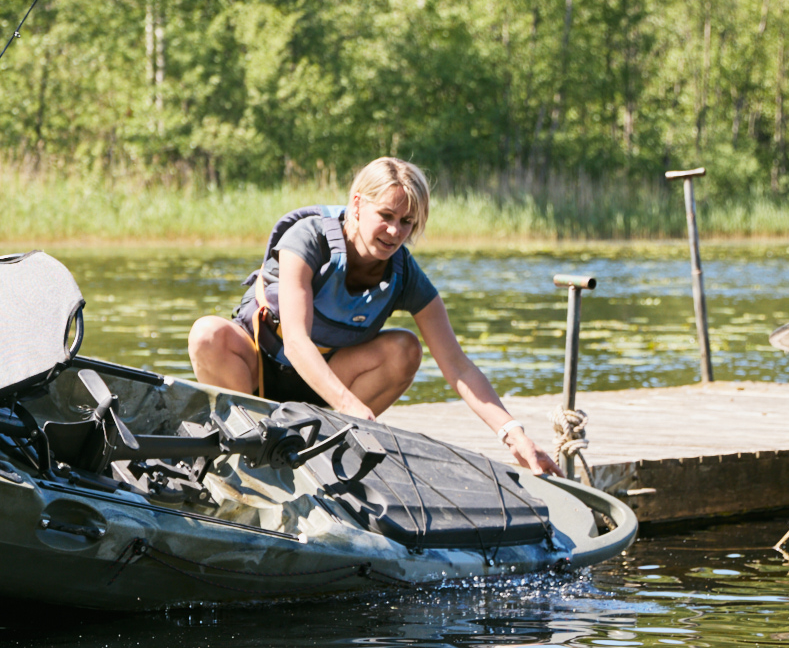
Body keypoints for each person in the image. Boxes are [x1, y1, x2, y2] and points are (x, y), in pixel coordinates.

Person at [187, 157, 557, 473]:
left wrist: (515, 436)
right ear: (358, 204)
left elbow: (457, 366)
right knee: (207, 333)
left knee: (405, 349)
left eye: (408, 222)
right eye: (386, 215)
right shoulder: (308, 239)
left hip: (324, 390)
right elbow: (297, 341)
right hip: (258, 373)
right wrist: (352, 406)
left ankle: (325, 449)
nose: (395, 231)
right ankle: (245, 444)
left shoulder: (405, 275)